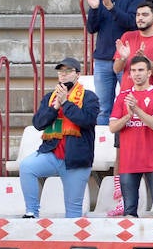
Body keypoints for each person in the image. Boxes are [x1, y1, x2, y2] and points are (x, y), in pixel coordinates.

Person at [18, 57, 98, 218]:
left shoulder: (89, 97)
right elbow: (38, 123)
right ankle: (31, 211)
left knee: (73, 212)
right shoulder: (50, 98)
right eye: (61, 71)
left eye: (68, 71)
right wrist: (55, 107)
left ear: (78, 74)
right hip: (52, 153)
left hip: (77, 158)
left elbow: (87, 120)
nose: (63, 75)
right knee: (27, 167)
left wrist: (66, 103)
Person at [109, 55, 153, 218]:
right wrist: (127, 117)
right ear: (129, 74)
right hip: (129, 161)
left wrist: (136, 110)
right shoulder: (122, 97)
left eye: (141, 70)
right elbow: (112, 127)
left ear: (149, 73)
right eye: (133, 71)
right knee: (129, 211)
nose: (137, 74)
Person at [84, 0, 142, 126]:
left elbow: (132, 23)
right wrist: (95, 9)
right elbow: (91, 28)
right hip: (102, 59)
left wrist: (111, 7)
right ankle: (103, 147)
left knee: (128, 104)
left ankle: (123, 146)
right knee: (103, 107)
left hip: (125, 59)